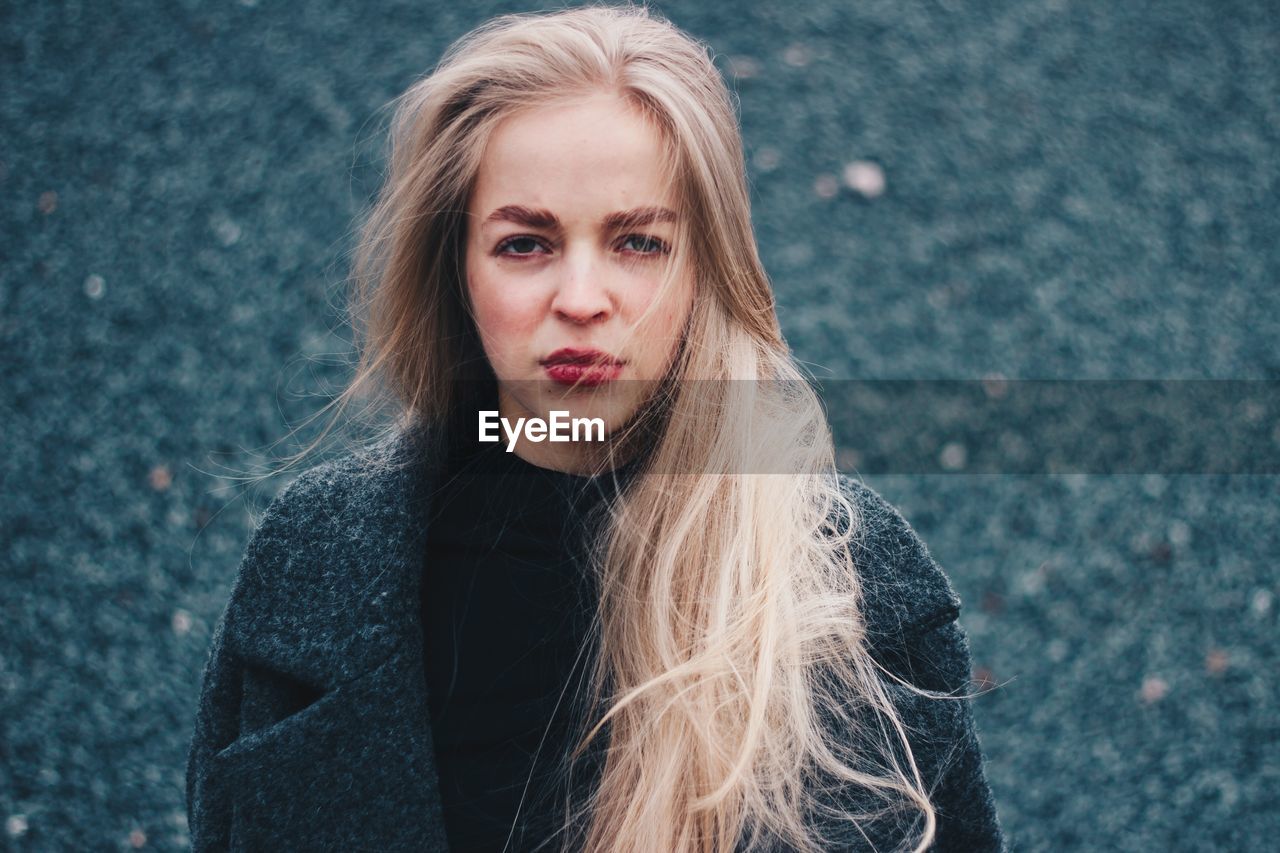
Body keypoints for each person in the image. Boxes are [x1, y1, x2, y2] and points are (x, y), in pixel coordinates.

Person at [186, 5, 1005, 851]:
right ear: (454, 268)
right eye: (525, 245)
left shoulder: (850, 577)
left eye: (639, 243)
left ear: (708, 271)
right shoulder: (318, 561)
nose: (580, 298)